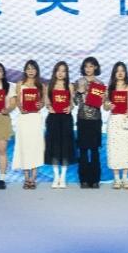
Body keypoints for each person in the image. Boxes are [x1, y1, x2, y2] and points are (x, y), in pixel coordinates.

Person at [12, 60, 45, 190]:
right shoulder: (20, 84)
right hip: (24, 118)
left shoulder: (41, 85)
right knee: (24, 146)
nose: (31, 71)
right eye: (28, 68)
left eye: (33, 68)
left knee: (35, 146)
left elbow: (43, 102)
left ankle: (33, 178)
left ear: (37, 70)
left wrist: (40, 105)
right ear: (25, 70)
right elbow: (17, 101)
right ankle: (26, 178)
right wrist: (20, 108)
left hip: (35, 118)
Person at [104, 61, 128, 189]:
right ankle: (116, 179)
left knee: (127, 148)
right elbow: (105, 107)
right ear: (114, 73)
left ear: (125, 73)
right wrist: (108, 105)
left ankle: (125, 178)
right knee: (114, 149)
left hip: (126, 120)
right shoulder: (109, 88)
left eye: (122, 70)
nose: (120, 73)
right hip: (114, 121)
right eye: (117, 71)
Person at [74, 57, 104, 189]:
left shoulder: (100, 83)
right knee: (83, 150)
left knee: (95, 150)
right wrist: (78, 92)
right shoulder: (79, 81)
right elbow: (75, 102)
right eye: (86, 66)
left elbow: (101, 104)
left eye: (91, 66)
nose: (88, 69)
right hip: (82, 119)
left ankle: (95, 179)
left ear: (95, 67)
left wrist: (103, 98)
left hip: (96, 120)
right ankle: (84, 180)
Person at [44, 61, 76, 189]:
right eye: (58, 70)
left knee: (65, 147)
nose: (61, 73)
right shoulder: (49, 86)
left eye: (63, 71)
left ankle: (63, 177)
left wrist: (70, 107)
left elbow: (72, 103)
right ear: (55, 72)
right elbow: (46, 102)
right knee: (54, 147)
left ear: (66, 73)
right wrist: (49, 107)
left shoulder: (69, 86)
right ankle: (56, 176)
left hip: (66, 119)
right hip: (53, 119)